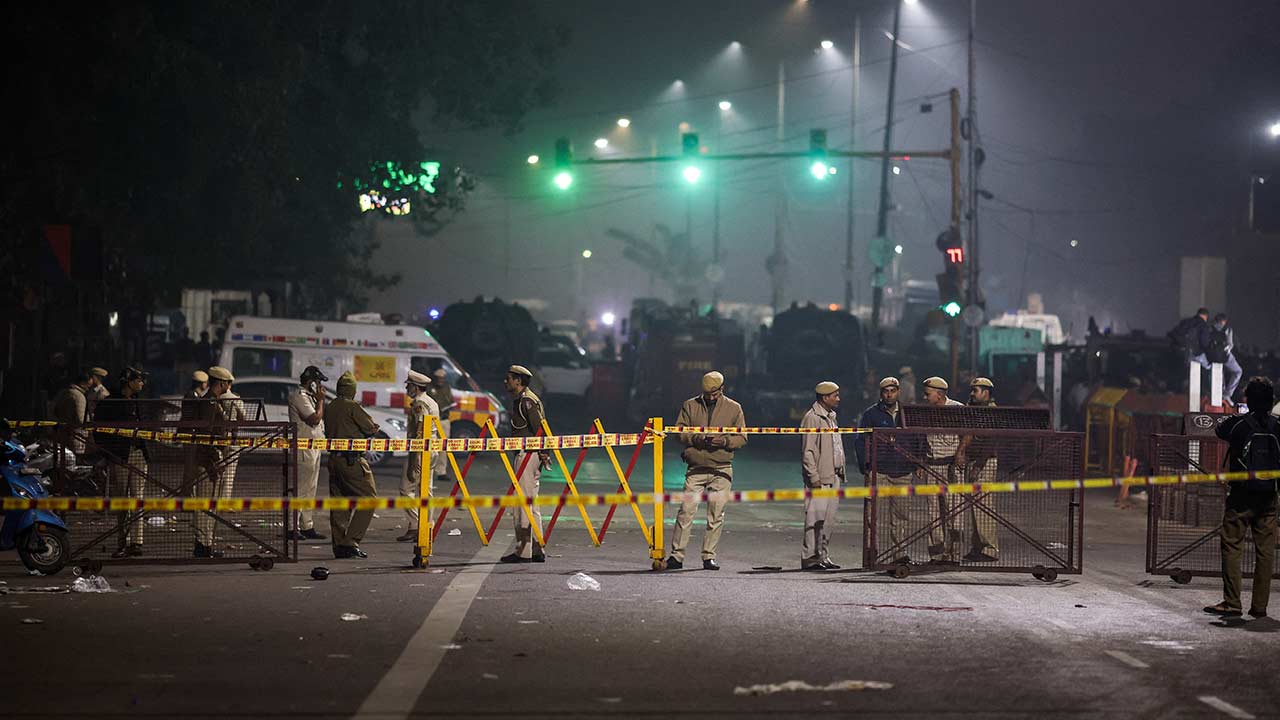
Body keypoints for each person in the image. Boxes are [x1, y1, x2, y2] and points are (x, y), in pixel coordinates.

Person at [1205, 377, 1279, 619]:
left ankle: (1232, 602)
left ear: (1248, 399)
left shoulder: (1239, 425)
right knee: (1265, 551)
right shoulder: (1278, 426)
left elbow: (1219, 429)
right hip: (1269, 495)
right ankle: (1259, 606)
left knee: (1232, 544)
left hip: (1241, 496)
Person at [665, 371, 747, 571]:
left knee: (716, 515)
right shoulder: (690, 405)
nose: (711, 397)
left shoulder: (734, 408)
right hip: (696, 467)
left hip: (722, 467)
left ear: (722, 389)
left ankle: (708, 556)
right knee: (685, 512)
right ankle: (677, 556)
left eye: (714, 394)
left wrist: (725, 441)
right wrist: (697, 439)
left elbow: (743, 437)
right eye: (707, 394)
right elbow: (679, 431)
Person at [854, 377, 916, 564]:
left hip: (902, 472)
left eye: (892, 391)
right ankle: (871, 553)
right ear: (881, 393)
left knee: (901, 517)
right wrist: (865, 465)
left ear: (898, 392)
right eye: (885, 391)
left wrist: (917, 463)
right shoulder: (870, 414)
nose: (889, 394)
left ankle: (900, 555)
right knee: (872, 515)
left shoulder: (907, 413)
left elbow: (918, 438)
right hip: (878, 471)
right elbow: (860, 440)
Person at [94, 367, 150, 558]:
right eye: (139, 379)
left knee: (137, 498)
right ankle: (122, 541)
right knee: (122, 501)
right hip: (120, 456)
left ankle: (136, 542)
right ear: (128, 381)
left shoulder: (139, 402)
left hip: (138, 454)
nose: (142, 383)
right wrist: (110, 453)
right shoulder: (110, 403)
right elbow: (98, 431)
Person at [325, 371, 381, 559]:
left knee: (340, 503)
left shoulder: (330, 406)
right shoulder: (352, 406)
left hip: (334, 460)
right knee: (369, 499)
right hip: (352, 461)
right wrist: (372, 428)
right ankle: (351, 542)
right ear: (352, 390)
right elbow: (369, 427)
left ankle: (339, 545)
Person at [501, 365, 548, 563]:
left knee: (522, 504)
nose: (506, 381)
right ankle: (537, 547)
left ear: (518, 381)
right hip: (532, 454)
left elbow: (539, 429)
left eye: (509, 378)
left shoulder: (526, 401)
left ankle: (524, 551)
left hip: (527, 454)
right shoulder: (526, 399)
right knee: (531, 502)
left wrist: (544, 452)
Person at [799, 381, 846, 570]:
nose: (838, 399)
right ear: (825, 398)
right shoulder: (813, 418)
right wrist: (813, 476)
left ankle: (823, 555)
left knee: (828, 520)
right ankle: (810, 557)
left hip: (833, 475)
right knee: (814, 519)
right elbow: (807, 451)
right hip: (819, 477)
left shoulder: (831, 417)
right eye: (835, 395)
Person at [191, 366, 236, 558]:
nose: (229, 386)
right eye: (228, 383)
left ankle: (207, 544)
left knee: (210, 504)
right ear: (222, 383)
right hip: (207, 460)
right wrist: (216, 458)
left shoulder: (213, 401)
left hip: (209, 458)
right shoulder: (209, 403)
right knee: (204, 504)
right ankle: (202, 545)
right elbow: (206, 435)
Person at [921, 376, 964, 563]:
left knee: (955, 511)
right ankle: (937, 553)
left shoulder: (957, 409)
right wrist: (921, 461)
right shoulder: (925, 412)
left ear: (938, 395)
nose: (925, 398)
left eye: (927, 394)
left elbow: (968, 434)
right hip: (932, 465)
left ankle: (954, 553)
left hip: (951, 466)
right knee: (933, 513)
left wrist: (960, 453)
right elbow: (921, 437)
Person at [958, 377, 1000, 562]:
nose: (972, 393)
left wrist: (978, 465)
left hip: (984, 461)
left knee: (983, 505)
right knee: (975, 506)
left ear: (986, 392)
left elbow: (990, 441)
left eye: (976, 390)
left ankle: (989, 549)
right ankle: (978, 546)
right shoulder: (976, 410)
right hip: (974, 460)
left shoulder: (991, 412)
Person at [397, 370, 441, 542]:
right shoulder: (431, 401)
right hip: (432, 449)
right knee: (426, 490)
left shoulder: (419, 404)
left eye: (409, 385)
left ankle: (417, 525)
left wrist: (415, 456)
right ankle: (425, 526)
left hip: (421, 450)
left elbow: (421, 430)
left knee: (405, 488)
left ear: (416, 387)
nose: (407, 388)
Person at [287, 366, 328, 541]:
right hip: (304, 447)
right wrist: (320, 401)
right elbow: (314, 419)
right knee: (300, 489)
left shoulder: (310, 397)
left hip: (315, 447)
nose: (319, 386)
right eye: (317, 382)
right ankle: (292, 527)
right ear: (310, 382)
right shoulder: (299, 397)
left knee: (310, 489)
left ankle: (306, 525)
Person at [52, 370, 97, 455]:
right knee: (75, 459)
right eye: (89, 385)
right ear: (83, 382)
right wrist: (91, 418)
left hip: (62, 432)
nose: (89, 387)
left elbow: (55, 410)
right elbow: (80, 419)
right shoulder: (79, 396)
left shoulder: (64, 392)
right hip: (76, 435)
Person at [1207, 313, 1243, 404]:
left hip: (1212, 356)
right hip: (1225, 355)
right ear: (1225, 321)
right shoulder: (1228, 329)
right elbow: (1230, 344)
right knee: (1238, 371)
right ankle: (1227, 394)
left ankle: (1220, 394)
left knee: (1219, 374)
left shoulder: (1209, 328)